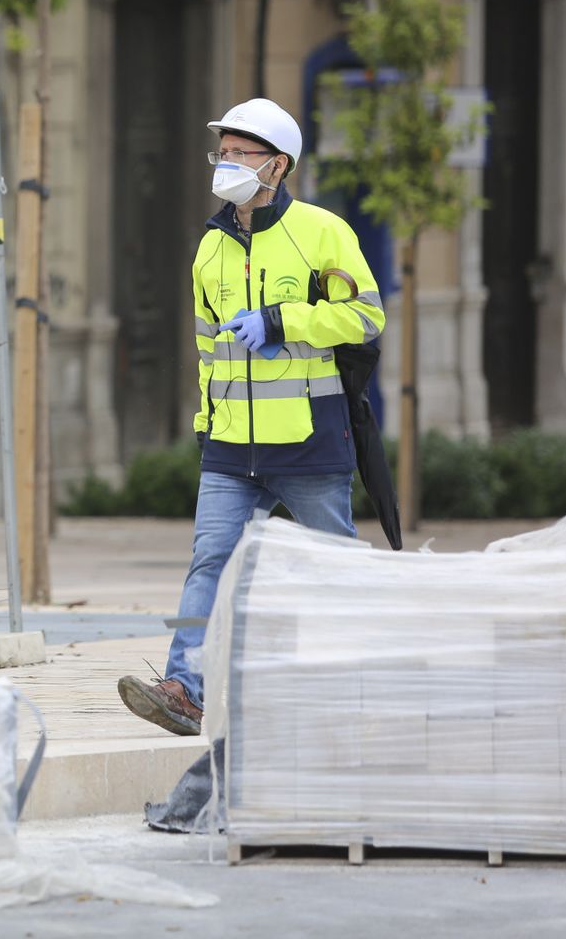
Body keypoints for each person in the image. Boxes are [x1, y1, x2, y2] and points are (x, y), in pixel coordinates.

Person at [117, 97, 386, 736]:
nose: (226, 163)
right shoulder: (209, 247)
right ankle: (185, 687)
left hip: (308, 437)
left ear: (278, 166)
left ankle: (362, 681)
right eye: (223, 152)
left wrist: (281, 320)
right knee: (209, 560)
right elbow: (208, 346)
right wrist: (207, 424)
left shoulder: (324, 232)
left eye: (241, 153)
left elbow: (365, 318)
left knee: (333, 564)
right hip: (232, 446)